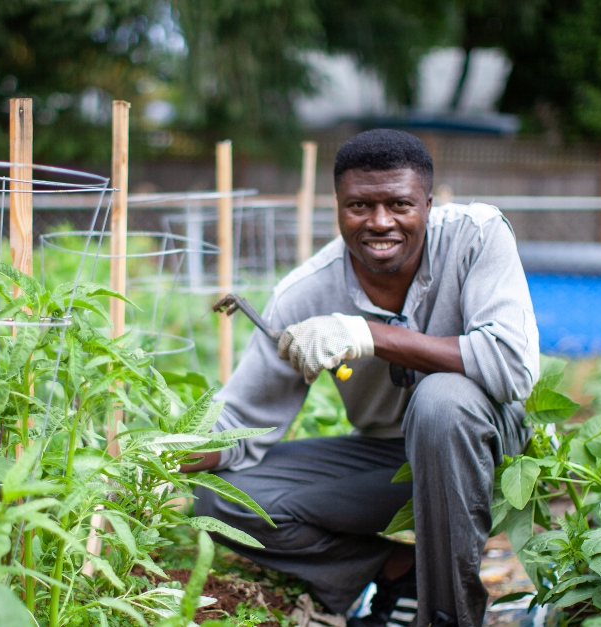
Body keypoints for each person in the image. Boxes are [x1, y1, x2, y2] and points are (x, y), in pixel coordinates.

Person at [183, 129, 539, 627]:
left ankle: (447, 617)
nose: (380, 222)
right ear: (337, 206)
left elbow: (510, 364)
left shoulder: (476, 236)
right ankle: (399, 570)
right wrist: (164, 455)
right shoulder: (307, 292)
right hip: (390, 460)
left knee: (443, 401)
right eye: (359, 206)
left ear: (429, 204)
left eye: (399, 204)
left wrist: (366, 335)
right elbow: (245, 417)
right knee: (220, 500)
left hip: (491, 456)